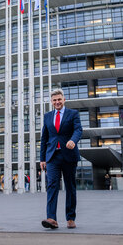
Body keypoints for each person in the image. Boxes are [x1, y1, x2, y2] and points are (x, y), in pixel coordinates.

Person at [40, 88, 82, 230]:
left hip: (69, 155)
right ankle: (52, 218)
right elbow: (44, 138)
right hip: (52, 156)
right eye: (54, 100)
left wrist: (73, 140)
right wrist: (42, 158)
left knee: (70, 186)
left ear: (64, 100)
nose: (57, 102)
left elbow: (78, 130)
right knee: (52, 185)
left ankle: (70, 218)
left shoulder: (73, 114)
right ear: (51, 102)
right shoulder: (47, 116)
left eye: (59, 99)